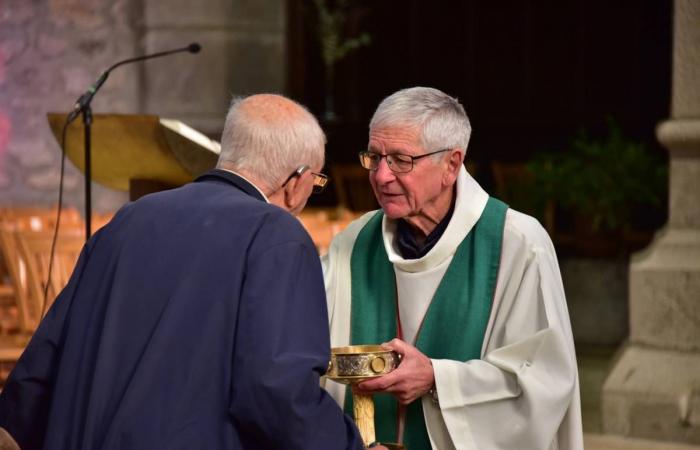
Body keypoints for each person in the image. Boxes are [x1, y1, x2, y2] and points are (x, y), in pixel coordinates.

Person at [0, 94, 366, 450]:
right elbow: (277, 391)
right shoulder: (277, 235)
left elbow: (46, 357)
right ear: (296, 180)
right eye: (316, 182)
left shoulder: (130, 217)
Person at [322, 87, 584, 450]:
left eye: (400, 159)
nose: (381, 176)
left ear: (451, 164)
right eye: (375, 157)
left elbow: (543, 383)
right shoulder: (352, 243)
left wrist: (436, 378)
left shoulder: (517, 243)